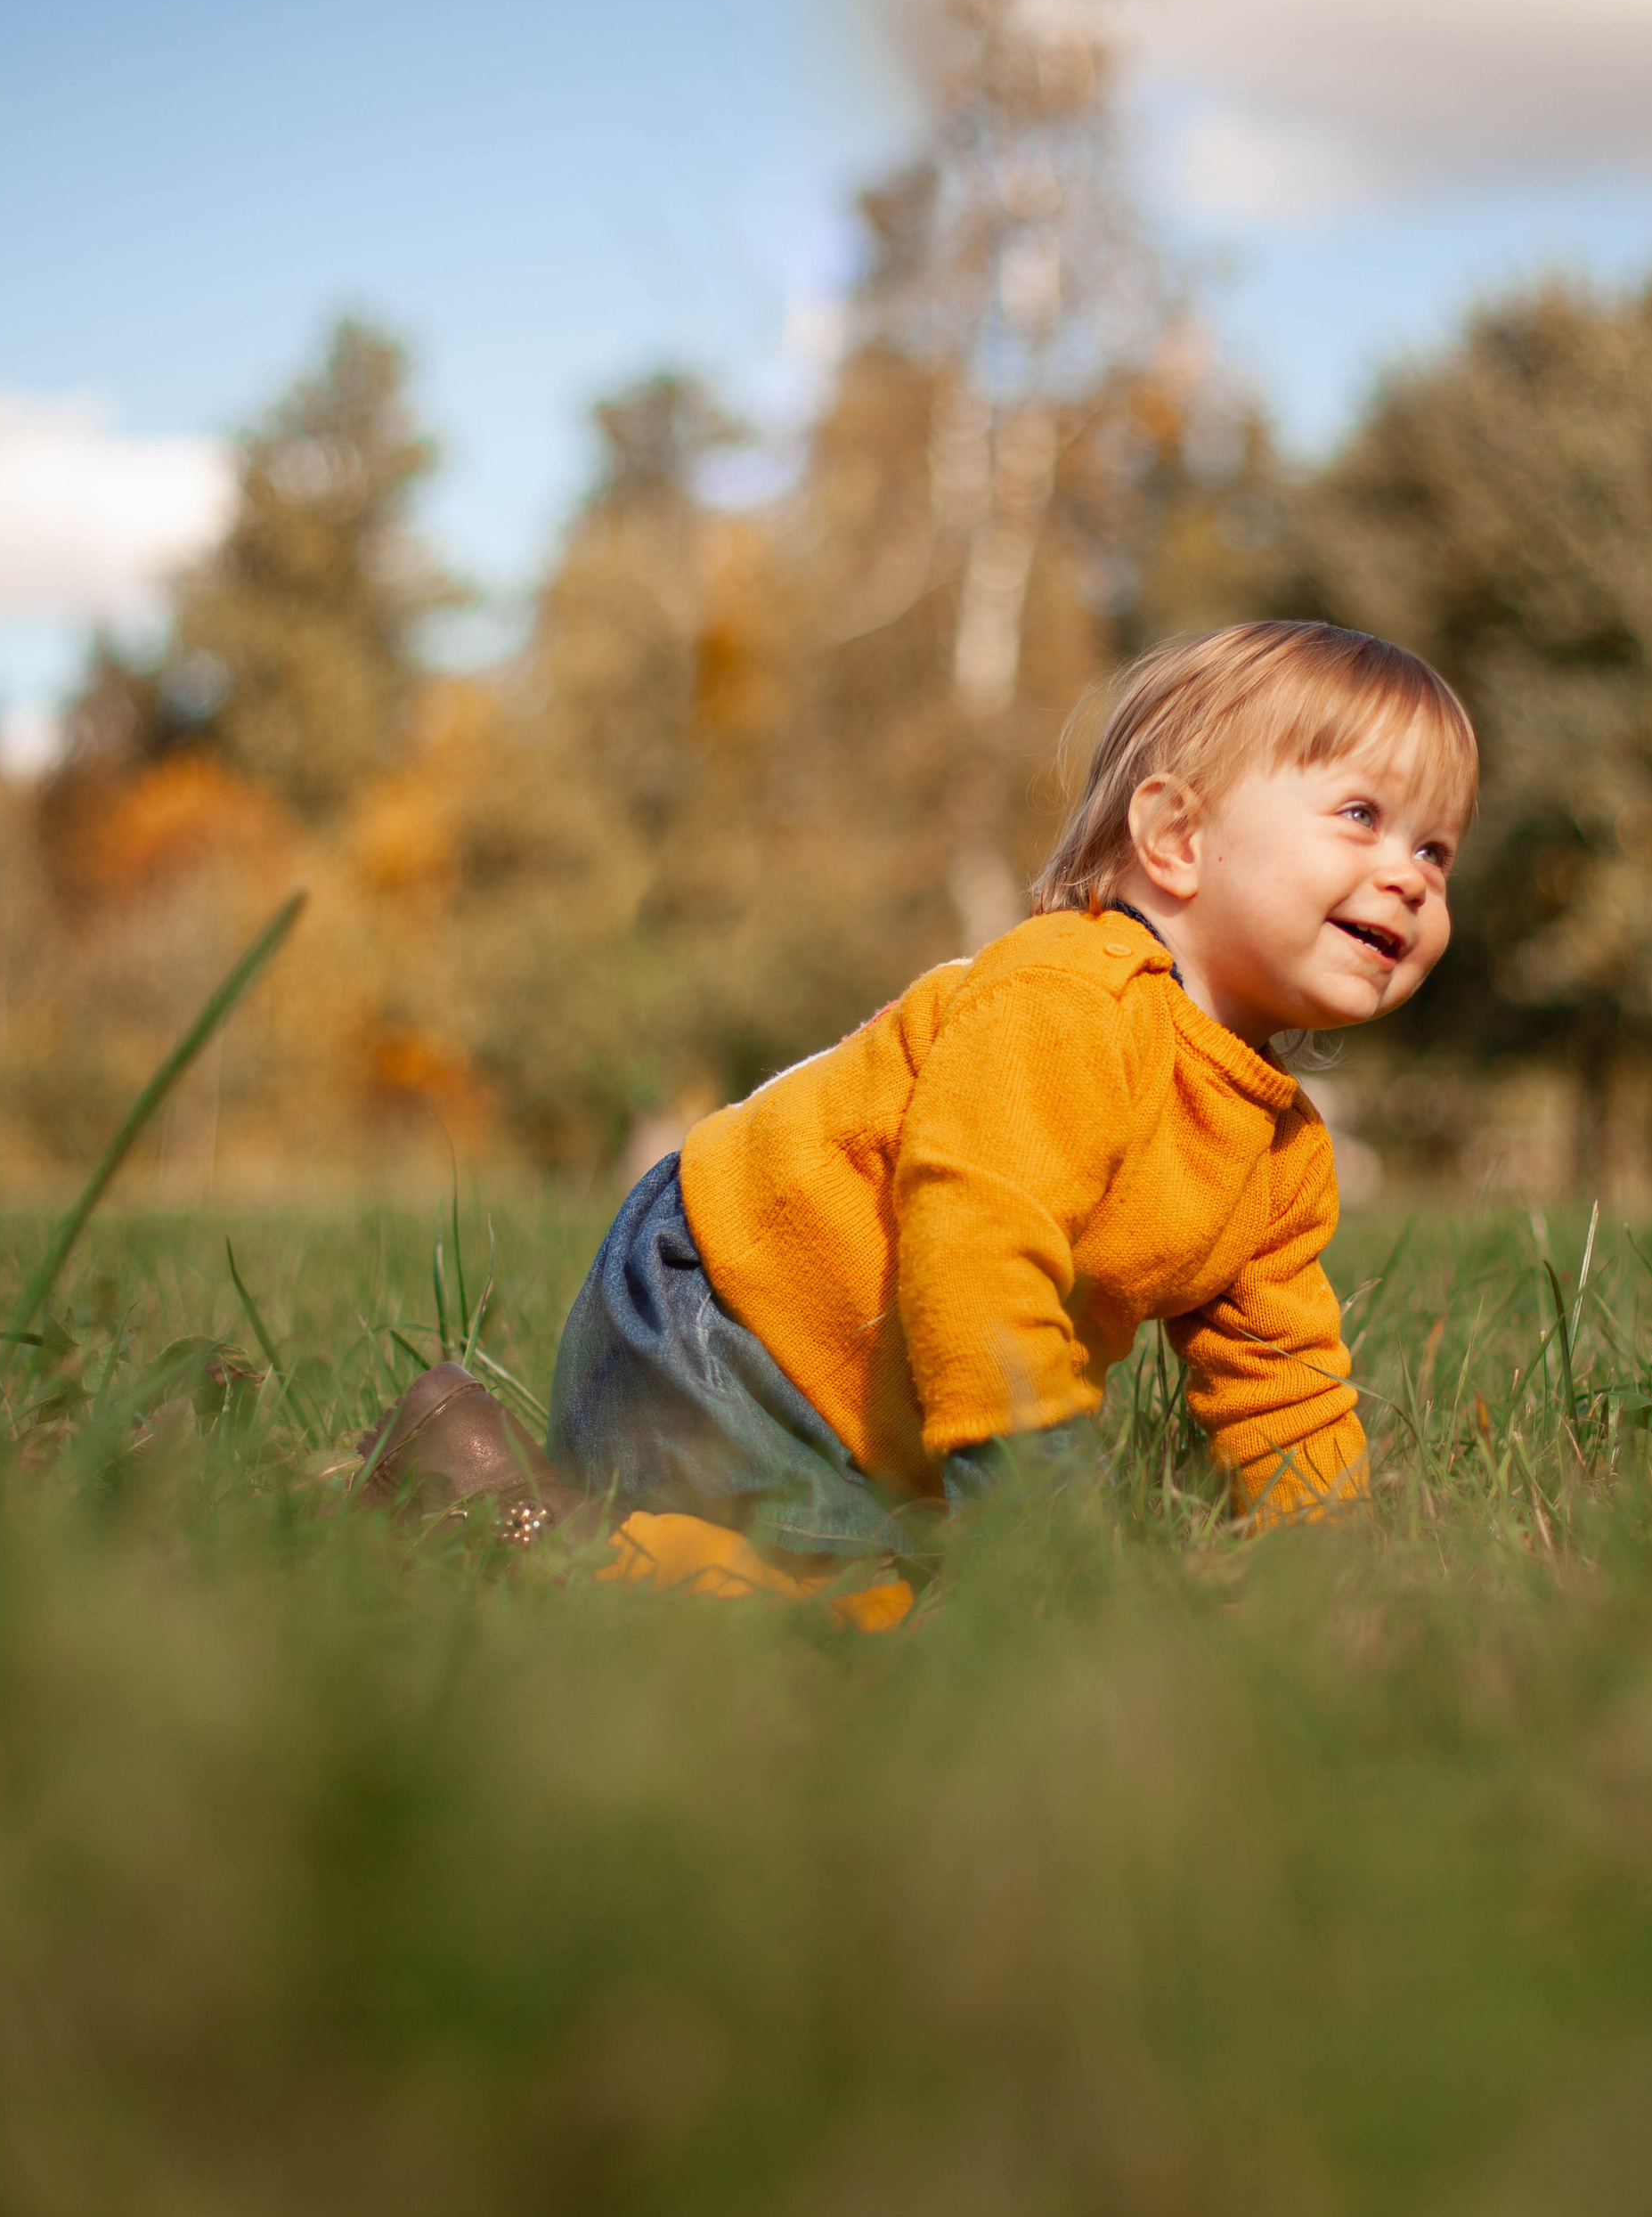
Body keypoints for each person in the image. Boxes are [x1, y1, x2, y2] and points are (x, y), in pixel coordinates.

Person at [364, 623, 1475, 1626]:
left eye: (1436, 849)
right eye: (1362, 816)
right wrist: (1040, 1517)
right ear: (1176, 836)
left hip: (869, 1397)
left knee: (901, 1620)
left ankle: (479, 1492)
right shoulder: (1069, 1001)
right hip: (727, 1317)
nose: (1410, 877)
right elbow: (976, 1251)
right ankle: (510, 1527)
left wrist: (1336, 1582)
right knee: (830, 1628)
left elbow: (1285, 1380)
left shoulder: (1279, 1153)